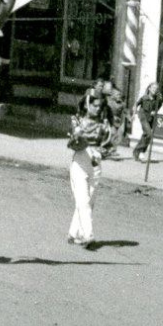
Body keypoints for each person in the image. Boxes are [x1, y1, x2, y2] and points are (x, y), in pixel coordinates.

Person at [66, 91, 114, 247]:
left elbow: (108, 146)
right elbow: (71, 143)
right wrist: (77, 136)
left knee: (89, 201)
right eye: (95, 105)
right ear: (87, 105)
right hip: (80, 163)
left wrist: (104, 151)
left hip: (95, 164)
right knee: (83, 200)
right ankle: (88, 235)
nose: (98, 109)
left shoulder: (103, 125)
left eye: (100, 106)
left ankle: (74, 233)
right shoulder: (77, 121)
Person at [132, 81, 163, 163]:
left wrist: (155, 111)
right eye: (153, 88)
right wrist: (134, 112)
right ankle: (140, 152)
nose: (155, 90)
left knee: (146, 135)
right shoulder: (144, 97)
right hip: (143, 116)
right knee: (149, 133)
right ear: (149, 89)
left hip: (151, 118)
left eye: (156, 89)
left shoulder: (158, 99)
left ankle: (137, 152)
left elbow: (159, 106)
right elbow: (136, 104)